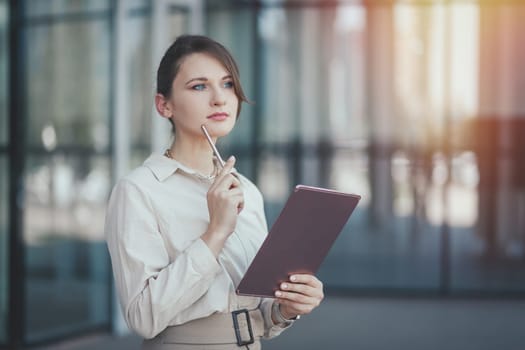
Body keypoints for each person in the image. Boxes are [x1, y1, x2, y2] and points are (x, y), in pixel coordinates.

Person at [105, 34, 324, 350]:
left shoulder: (246, 190)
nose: (220, 99)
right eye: (199, 86)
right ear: (164, 105)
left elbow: (259, 310)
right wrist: (215, 232)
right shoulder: (139, 190)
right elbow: (142, 317)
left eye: (227, 84)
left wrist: (286, 308)